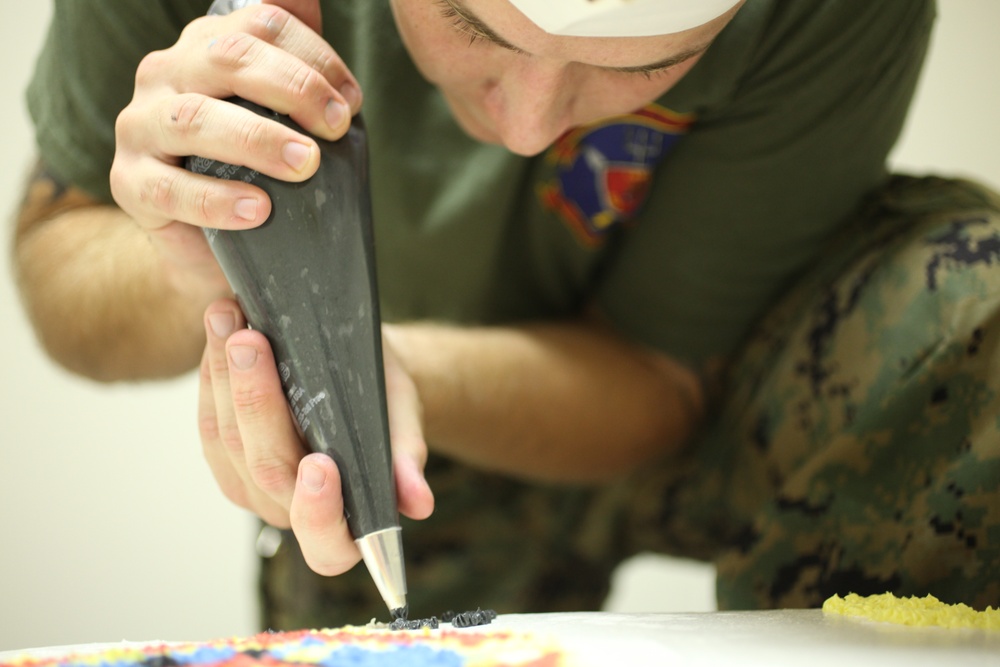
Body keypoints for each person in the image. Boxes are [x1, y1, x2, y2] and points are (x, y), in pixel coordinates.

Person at [14, 0, 1000, 628]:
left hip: (740, 379)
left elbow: (657, 379)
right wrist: (206, 255)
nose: (528, 128)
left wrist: (407, 365)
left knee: (969, 320)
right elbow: (58, 272)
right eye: (471, 27)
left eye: (645, 63)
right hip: (418, 456)